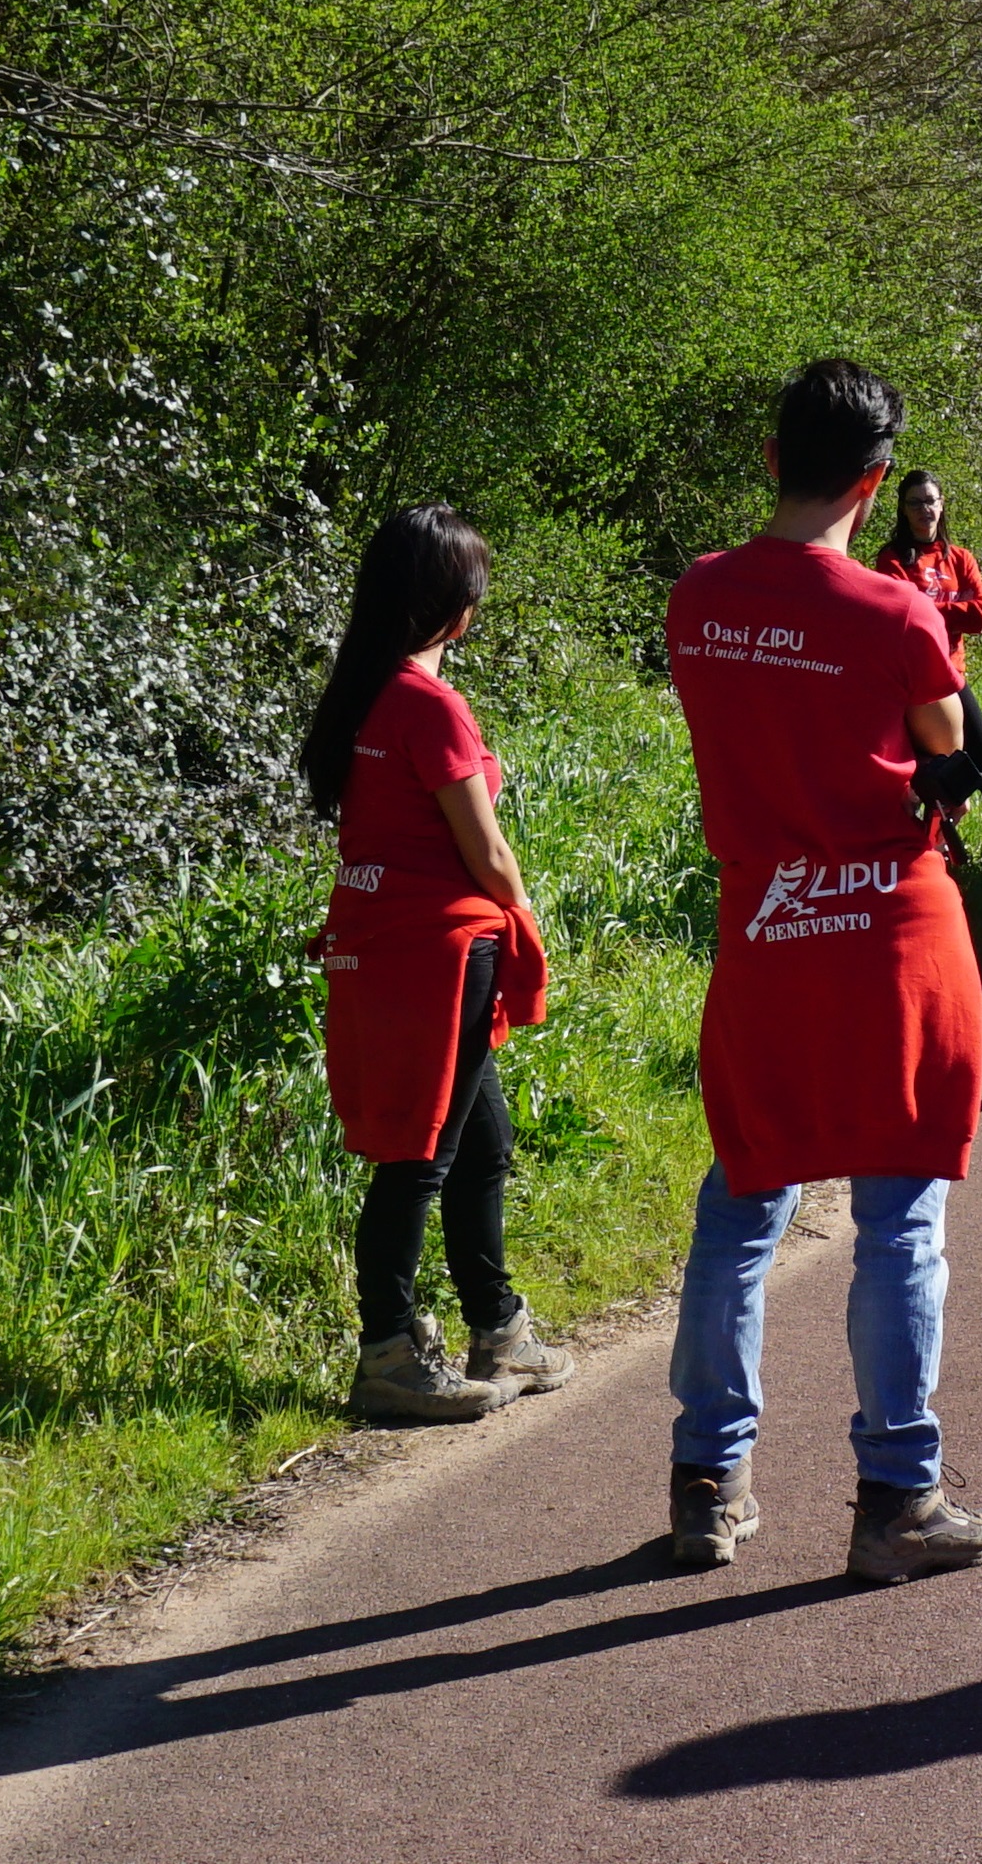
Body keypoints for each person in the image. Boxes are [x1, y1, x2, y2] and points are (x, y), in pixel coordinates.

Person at [657, 360, 982, 1585]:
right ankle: (895, 1500)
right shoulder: (897, 612)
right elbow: (942, 741)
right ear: (876, 479)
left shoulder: (698, 598)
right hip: (889, 923)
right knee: (900, 1214)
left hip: (766, 917)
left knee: (744, 1199)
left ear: (771, 459)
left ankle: (707, 1483)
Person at [302, 503, 579, 1425]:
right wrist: (529, 913)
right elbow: (487, 851)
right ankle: (387, 1351)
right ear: (457, 607)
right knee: (420, 1155)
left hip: (381, 946)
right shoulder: (431, 705)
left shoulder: (365, 692)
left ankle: (497, 1328)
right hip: (445, 952)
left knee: (478, 1142)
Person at [872, 471, 982, 851]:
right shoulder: (893, 559)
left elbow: (980, 616)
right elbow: (903, 618)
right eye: (915, 502)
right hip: (911, 686)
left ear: (942, 504)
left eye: (930, 501)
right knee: (920, 775)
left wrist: (928, 607)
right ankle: (918, 851)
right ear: (903, 508)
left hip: (953, 678)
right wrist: (946, 609)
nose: (924, 510)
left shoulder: (959, 558)